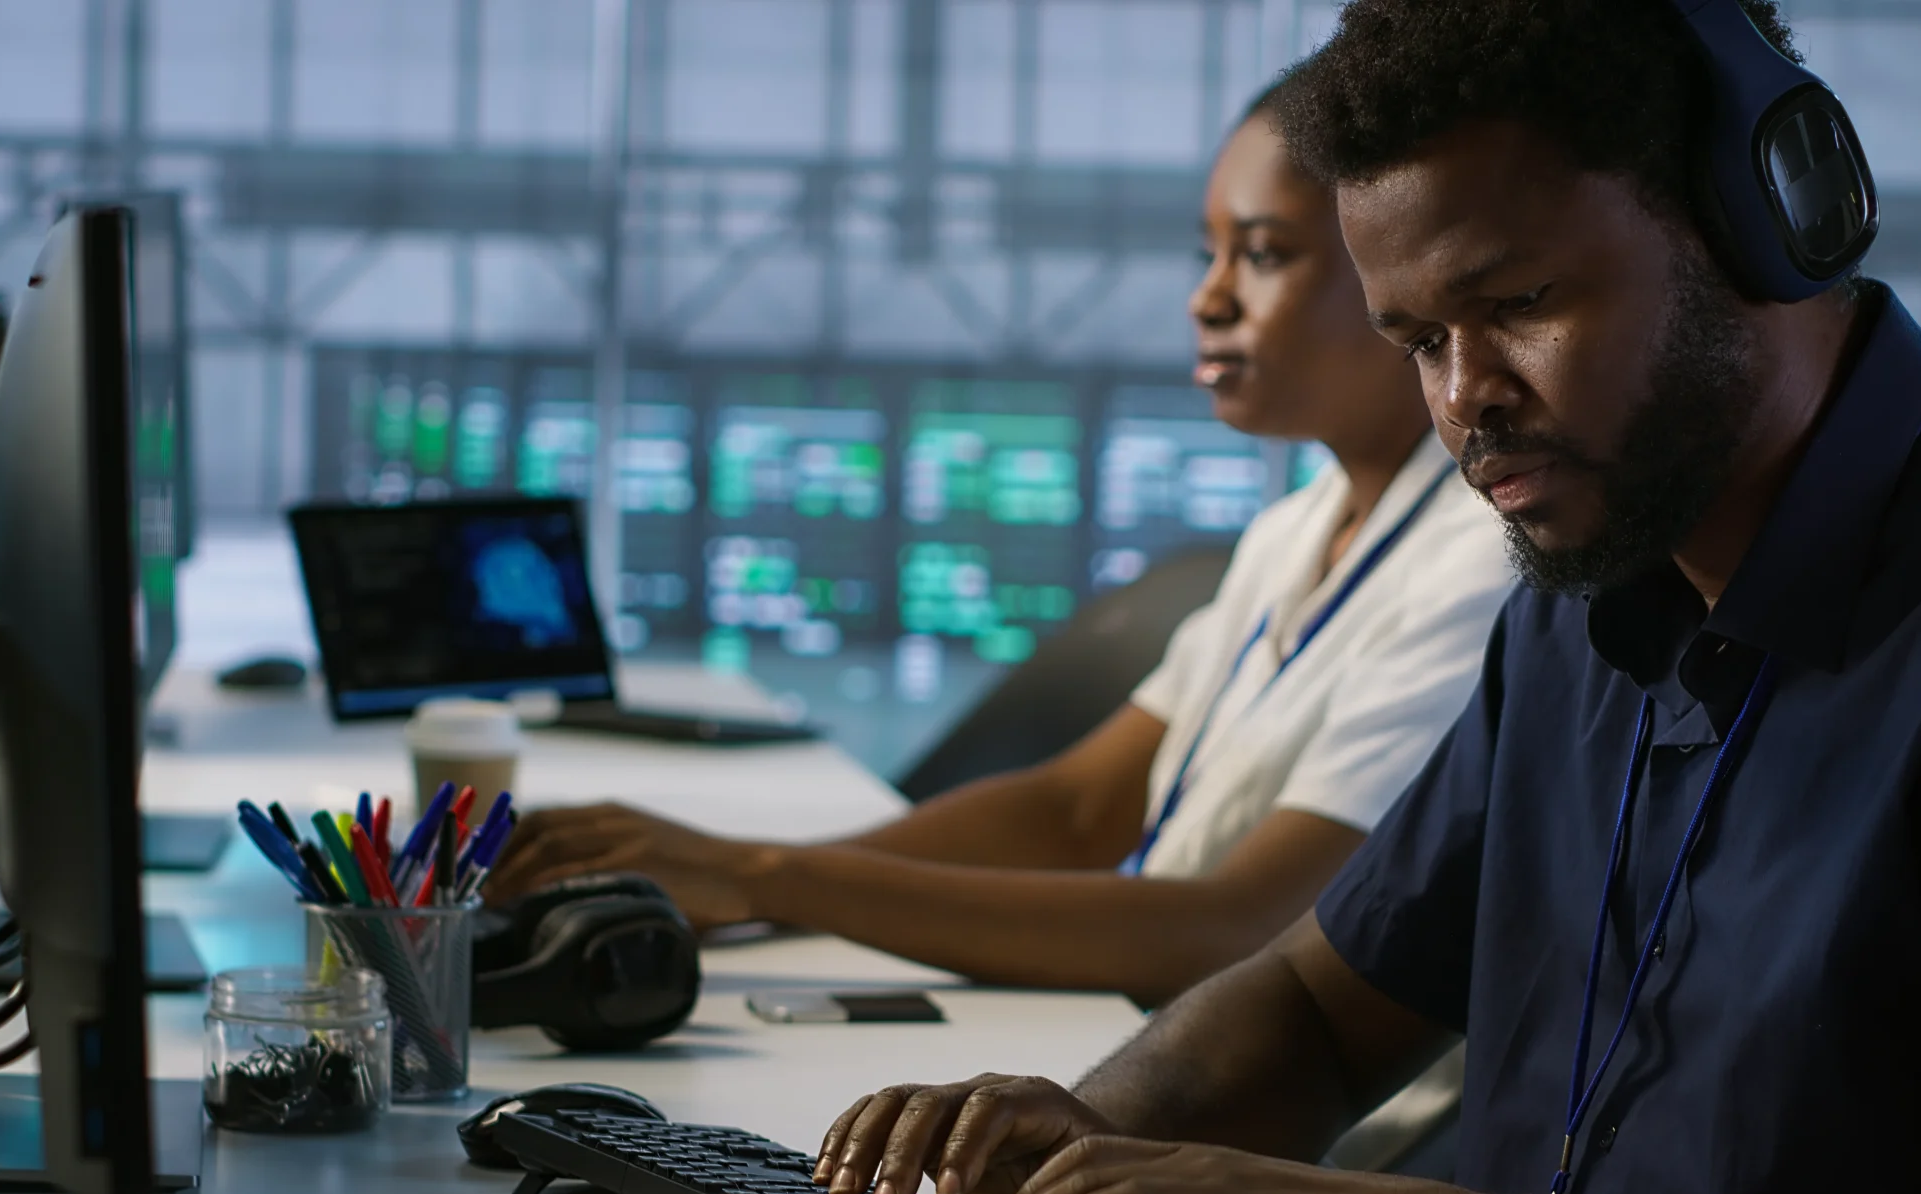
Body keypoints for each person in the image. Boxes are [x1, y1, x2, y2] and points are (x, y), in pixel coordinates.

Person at [807, 4, 1921, 1194]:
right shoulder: (1588, 599)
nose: (1466, 402)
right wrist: (1088, 1144)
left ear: (1765, 220)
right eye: (1417, 339)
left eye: (1519, 305)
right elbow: (1324, 1010)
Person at [488, 95, 1516, 1006]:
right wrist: (735, 882)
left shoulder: (1481, 569)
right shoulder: (1296, 532)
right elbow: (1072, 812)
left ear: (1394, 271)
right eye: (1206, 255)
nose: (1208, 299)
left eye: (1262, 253)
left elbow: (1234, 931)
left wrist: (761, 877)